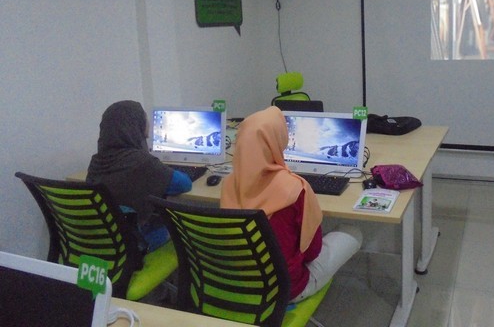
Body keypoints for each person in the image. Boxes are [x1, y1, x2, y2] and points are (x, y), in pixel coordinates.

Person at [221, 106, 362, 302]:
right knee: (352, 232)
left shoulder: (228, 184)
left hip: (240, 283)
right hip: (286, 289)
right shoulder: (294, 189)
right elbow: (312, 253)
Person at [87, 100, 192, 251]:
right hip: (137, 242)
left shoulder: (96, 162)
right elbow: (184, 184)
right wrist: (163, 169)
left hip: (106, 241)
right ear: (135, 125)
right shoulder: (143, 163)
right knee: (186, 229)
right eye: (144, 118)